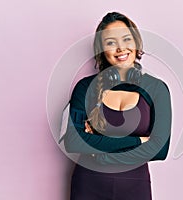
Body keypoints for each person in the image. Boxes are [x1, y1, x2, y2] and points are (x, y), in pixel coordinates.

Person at [63, 12, 172, 200]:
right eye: (111, 42)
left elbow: (160, 150)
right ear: (101, 50)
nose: (120, 48)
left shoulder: (157, 89)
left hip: (135, 187)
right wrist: (138, 141)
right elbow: (74, 141)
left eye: (126, 39)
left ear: (136, 42)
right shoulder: (85, 88)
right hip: (88, 184)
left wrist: (101, 155)